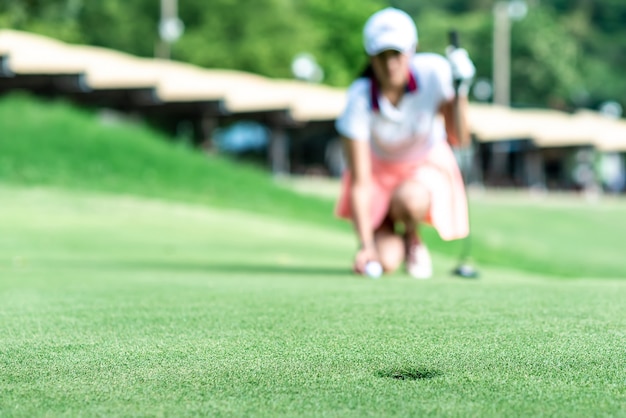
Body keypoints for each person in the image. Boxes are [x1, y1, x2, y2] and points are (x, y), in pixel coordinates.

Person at [334, 7, 476, 279]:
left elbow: (459, 137)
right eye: (382, 56)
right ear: (371, 57)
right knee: (384, 262)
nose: (390, 65)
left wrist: (461, 91)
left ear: (412, 50)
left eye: (396, 54)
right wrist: (365, 247)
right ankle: (387, 238)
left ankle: (413, 238)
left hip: (423, 167)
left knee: (410, 200)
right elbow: (360, 182)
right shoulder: (359, 99)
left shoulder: (435, 72)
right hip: (377, 175)